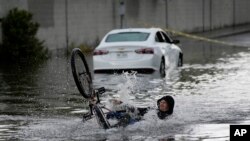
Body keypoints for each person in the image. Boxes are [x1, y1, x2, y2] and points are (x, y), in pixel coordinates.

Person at [106, 95, 175, 127]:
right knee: (111, 114)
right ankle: (105, 120)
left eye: (164, 103)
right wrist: (121, 103)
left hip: (137, 123)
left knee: (127, 117)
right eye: (161, 102)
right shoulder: (153, 109)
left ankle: (112, 129)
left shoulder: (167, 117)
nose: (161, 104)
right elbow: (137, 109)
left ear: (169, 106)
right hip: (135, 118)